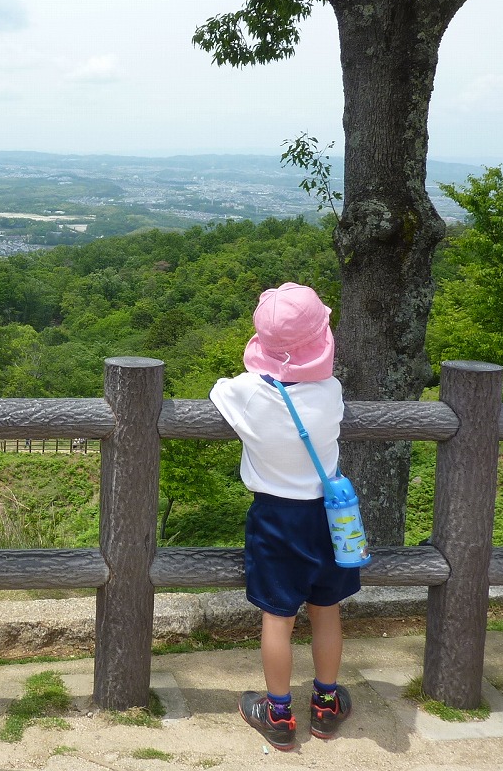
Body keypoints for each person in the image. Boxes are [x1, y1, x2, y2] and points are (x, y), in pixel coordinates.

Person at [209, 282, 358, 750]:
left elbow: (220, 392)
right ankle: (326, 704)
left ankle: (277, 714)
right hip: (328, 517)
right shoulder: (329, 390)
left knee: (278, 617)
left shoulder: (247, 394)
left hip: (275, 517)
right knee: (327, 611)